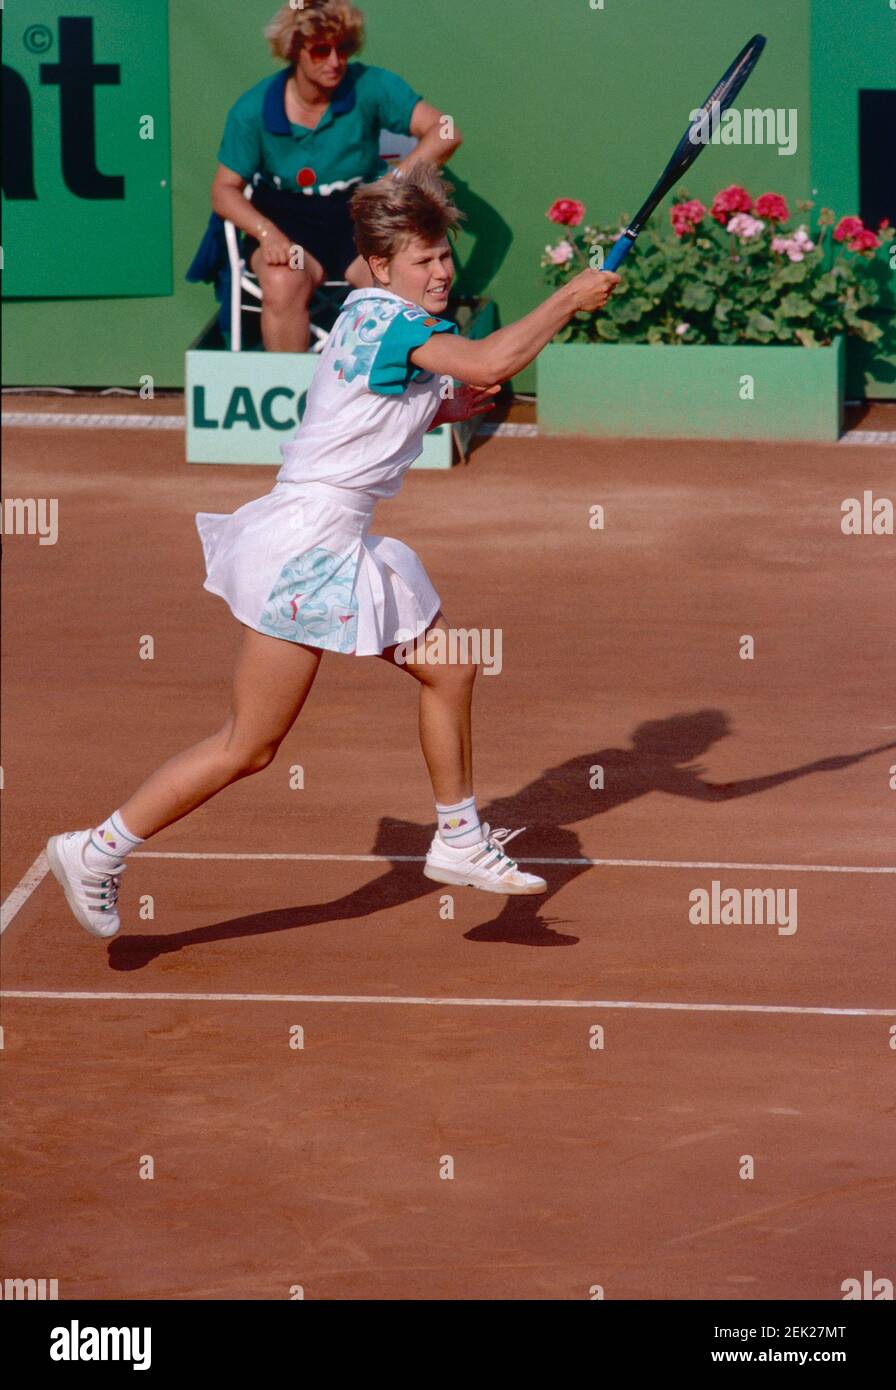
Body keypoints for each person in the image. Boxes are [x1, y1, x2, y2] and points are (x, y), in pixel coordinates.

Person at [46, 163, 619, 939]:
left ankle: (456, 837)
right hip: (308, 546)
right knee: (250, 746)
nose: (443, 271)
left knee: (450, 667)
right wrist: (568, 298)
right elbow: (490, 363)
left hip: (330, 535)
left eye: (445, 255)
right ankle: (97, 847)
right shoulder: (400, 323)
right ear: (382, 265)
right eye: (424, 261)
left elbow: (395, 399)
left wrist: (446, 398)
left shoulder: (372, 317)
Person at [211, 0, 461, 351]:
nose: (334, 61)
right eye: (321, 50)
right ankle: (293, 395)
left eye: (342, 48)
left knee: (388, 281)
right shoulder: (253, 108)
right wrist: (267, 234)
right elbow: (224, 191)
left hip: (357, 214)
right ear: (294, 50)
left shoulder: (368, 85)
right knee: (283, 282)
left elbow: (446, 131)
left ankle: (389, 393)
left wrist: (396, 179)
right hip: (285, 219)